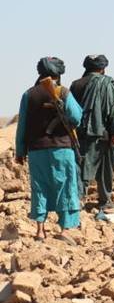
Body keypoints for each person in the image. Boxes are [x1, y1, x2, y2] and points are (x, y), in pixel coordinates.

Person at [15, 57, 83, 239]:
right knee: (66, 186)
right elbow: (77, 117)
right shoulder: (63, 92)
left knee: (40, 188)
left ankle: (40, 231)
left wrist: (20, 151)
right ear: (58, 74)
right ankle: (65, 229)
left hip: (36, 150)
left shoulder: (28, 94)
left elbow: (22, 125)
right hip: (62, 149)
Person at [70, 54, 114, 211]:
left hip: (79, 134)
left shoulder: (76, 84)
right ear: (103, 68)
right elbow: (112, 109)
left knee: (82, 166)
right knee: (105, 168)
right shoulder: (107, 82)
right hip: (103, 133)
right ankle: (104, 200)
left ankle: (78, 200)